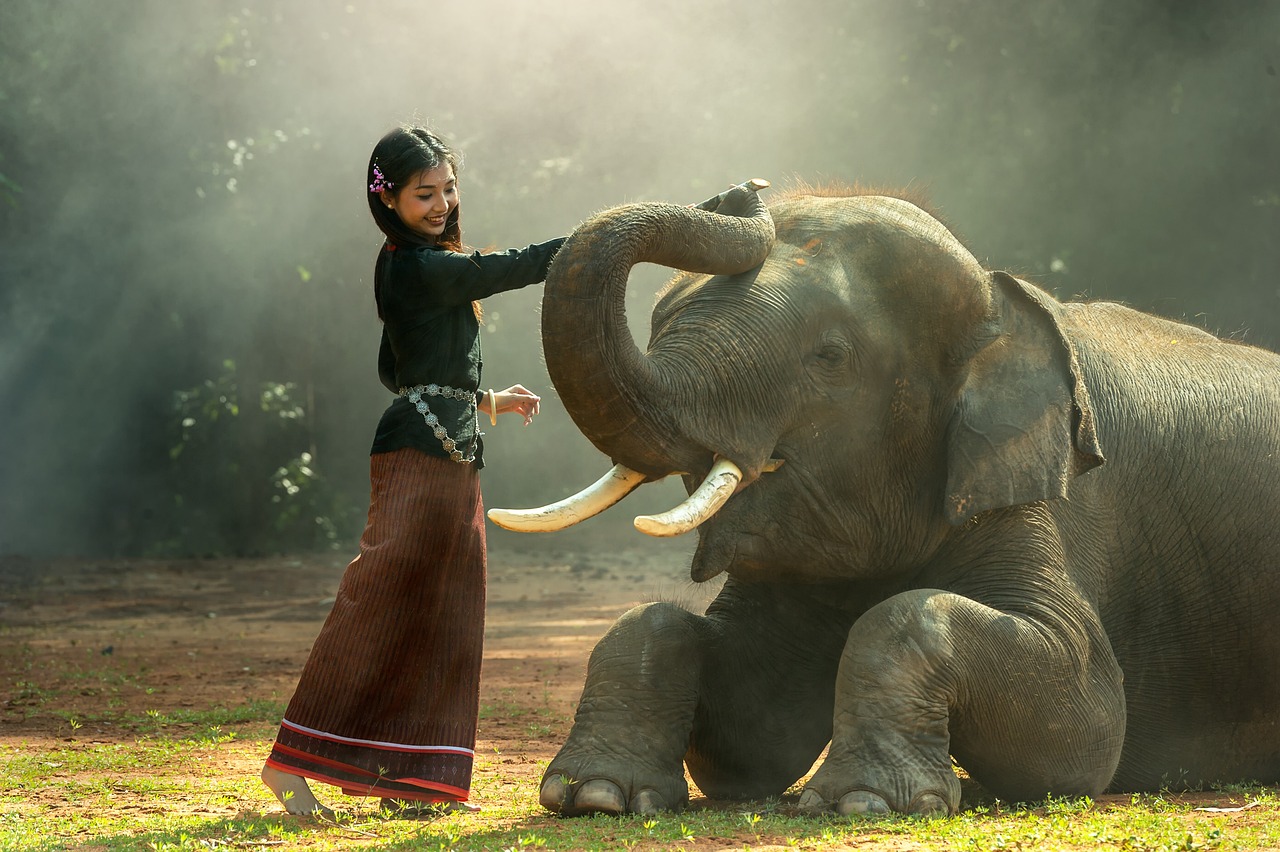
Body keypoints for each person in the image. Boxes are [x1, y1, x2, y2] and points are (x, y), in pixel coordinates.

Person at [260, 125, 564, 817]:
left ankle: (412, 779)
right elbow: (505, 268)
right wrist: (598, 241)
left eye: (449, 188)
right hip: (418, 454)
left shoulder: (419, 266)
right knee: (378, 603)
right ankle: (289, 764)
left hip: (449, 451)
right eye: (424, 193)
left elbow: (396, 365)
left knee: (448, 614)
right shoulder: (414, 266)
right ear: (388, 199)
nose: (442, 203)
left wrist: (483, 399)